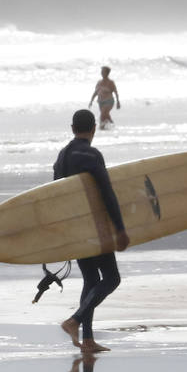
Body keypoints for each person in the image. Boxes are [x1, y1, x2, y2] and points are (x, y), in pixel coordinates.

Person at [55, 109, 130, 354]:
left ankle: (87, 340)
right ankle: (74, 321)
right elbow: (107, 193)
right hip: (93, 228)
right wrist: (119, 228)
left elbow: (54, 198)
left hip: (73, 230)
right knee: (111, 278)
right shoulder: (90, 154)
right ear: (94, 128)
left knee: (91, 279)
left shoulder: (62, 156)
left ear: (72, 127)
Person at [88, 66, 119, 130]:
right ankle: (109, 125)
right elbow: (96, 92)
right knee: (105, 115)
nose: (102, 73)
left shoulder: (111, 82)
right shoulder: (99, 82)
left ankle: (102, 127)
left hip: (109, 101)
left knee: (103, 114)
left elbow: (115, 92)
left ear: (107, 73)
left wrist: (118, 102)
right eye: (101, 72)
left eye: (103, 72)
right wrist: (91, 101)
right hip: (100, 102)